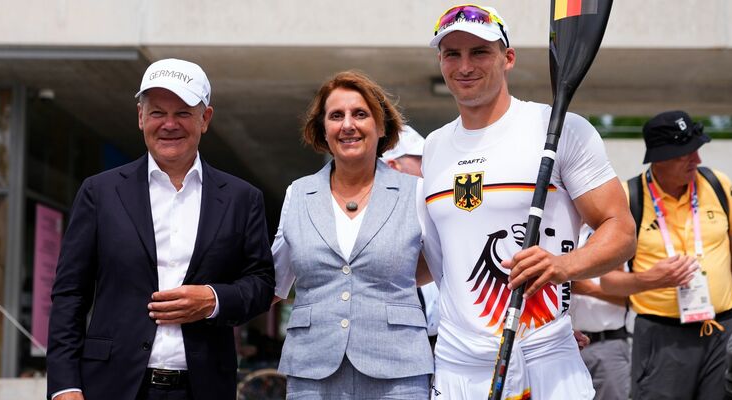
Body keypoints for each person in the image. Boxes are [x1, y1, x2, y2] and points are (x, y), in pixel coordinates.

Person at [420, 5, 636, 399]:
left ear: (508, 58)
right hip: (457, 369)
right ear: (441, 61)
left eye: (480, 52)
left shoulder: (560, 128)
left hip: (544, 361)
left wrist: (562, 266)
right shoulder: (433, 147)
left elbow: (620, 229)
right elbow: (437, 260)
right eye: (452, 53)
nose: (464, 65)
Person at [46, 58, 275, 400]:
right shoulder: (100, 192)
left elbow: (261, 283)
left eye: (183, 112)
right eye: (157, 113)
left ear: (205, 119)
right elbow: (70, 295)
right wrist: (65, 385)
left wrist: (212, 299)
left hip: (205, 387)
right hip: (112, 387)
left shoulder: (243, 199)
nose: (169, 124)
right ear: (141, 117)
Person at [272, 71, 434, 399]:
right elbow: (274, 281)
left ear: (382, 126)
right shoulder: (298, 194)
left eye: (360, 114)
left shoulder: (415, 192)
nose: (348, 124)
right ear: (323, 129)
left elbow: (440, 267)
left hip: (398, 371)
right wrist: (216, 303)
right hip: (311, 370)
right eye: (336, 116)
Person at [600, 110, 732, 400]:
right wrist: (649, 280)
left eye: (697, 150)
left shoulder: (717, 184)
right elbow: (608, 282)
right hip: (662, 338)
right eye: (686, 154)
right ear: (660, 157)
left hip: (723, 328)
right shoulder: (629, 199)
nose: (697, 160)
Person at [380, 125, 441, 347]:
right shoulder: (375, 225)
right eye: (421, 160)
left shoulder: (434, 211)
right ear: (393, 166)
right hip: (399, 347)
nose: (430, 167)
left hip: (442, 346)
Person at [570, 226, 631, 400]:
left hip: (606, 346)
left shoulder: (617, 234)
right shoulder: (562, 228)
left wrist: (589, 290)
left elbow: (638, 299)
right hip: (563, 345)